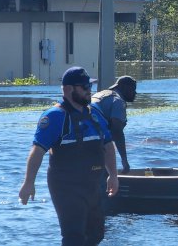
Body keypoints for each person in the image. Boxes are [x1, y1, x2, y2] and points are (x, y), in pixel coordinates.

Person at [18, 66, 119, 245]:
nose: (90, 91)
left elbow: (108, 144)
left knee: (96, 234)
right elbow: (37, 151)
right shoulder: (55, 117)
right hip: (66, 187)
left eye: (90, 87)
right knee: (74, 237)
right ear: (68, 89)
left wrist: (113, 175)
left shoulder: (94, 114)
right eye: (85, 87)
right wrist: (28, 183)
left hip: (93, 184)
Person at [92, 75, 137, 174]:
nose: (135, 93)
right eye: (133, 89)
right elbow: (117, 132)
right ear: (125, 88)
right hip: (94, 141)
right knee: (101, 177)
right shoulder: (118, 102)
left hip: (82, 138)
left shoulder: (100, 94)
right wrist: (124, 160)